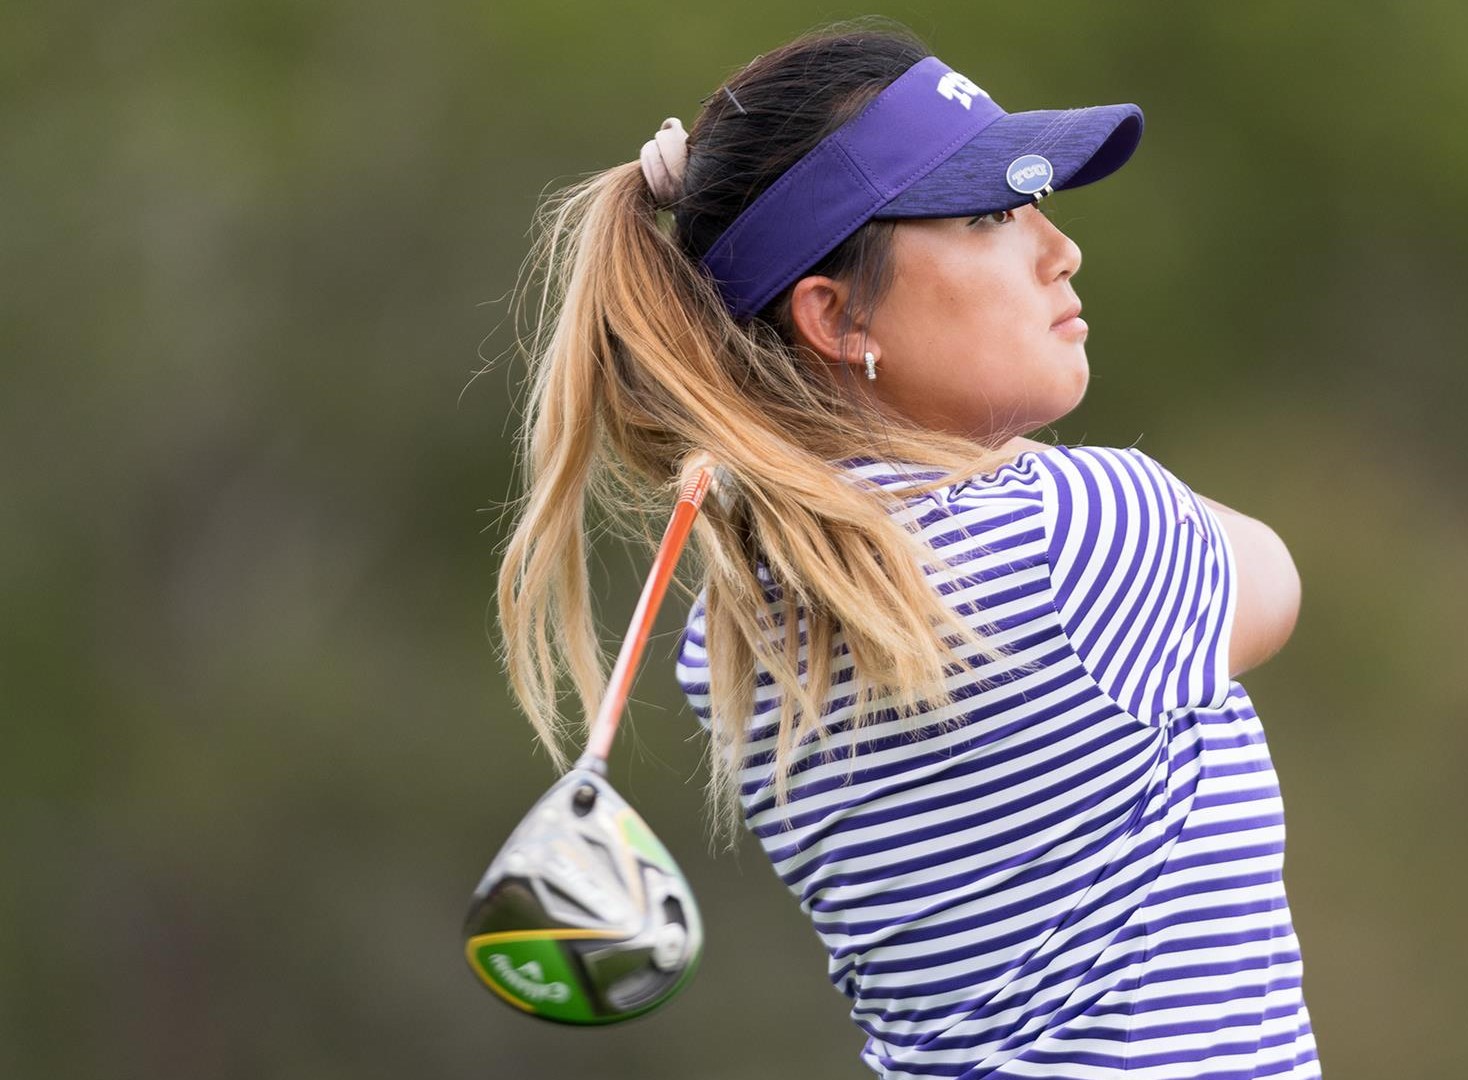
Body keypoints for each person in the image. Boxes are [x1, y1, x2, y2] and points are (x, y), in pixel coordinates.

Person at [494, 19, 1313, 1078]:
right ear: (834, 316)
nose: (1059, 248)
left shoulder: (730, 631)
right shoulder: (1085, 534)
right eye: (984, 214)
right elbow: (1277, 579)